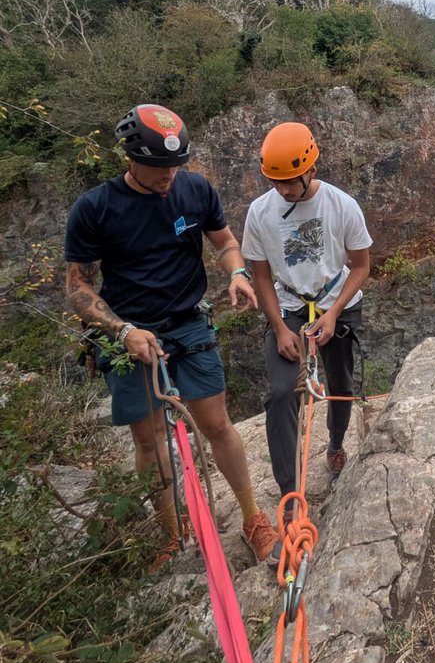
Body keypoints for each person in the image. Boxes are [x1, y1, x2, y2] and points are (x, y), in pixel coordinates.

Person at [64, 103, 278, 569]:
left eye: (175, 166)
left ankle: (252, 517)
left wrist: (238, 272)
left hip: (187, 323)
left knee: (217, 424)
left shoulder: (195, 190)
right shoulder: (96, 208)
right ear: (130, 158)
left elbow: (223, 242)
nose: (169, 177)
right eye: (159, 167)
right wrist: (122, 331)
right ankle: (171, 533)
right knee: (149, 439)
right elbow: (77, 287)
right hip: (129, 333)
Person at [241, 121, 372, 515]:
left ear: (311, 170)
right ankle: (289, 493)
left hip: (338, 301)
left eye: (289, 182)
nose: (282, 190)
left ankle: (335, 443)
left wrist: (333, 314)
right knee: (281, 393)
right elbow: (260, 275)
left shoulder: (341, 205)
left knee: (341, 383)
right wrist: (280, 329)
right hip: (289, 305)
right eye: (275, 182)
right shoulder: (260, 213)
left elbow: (361, 266)